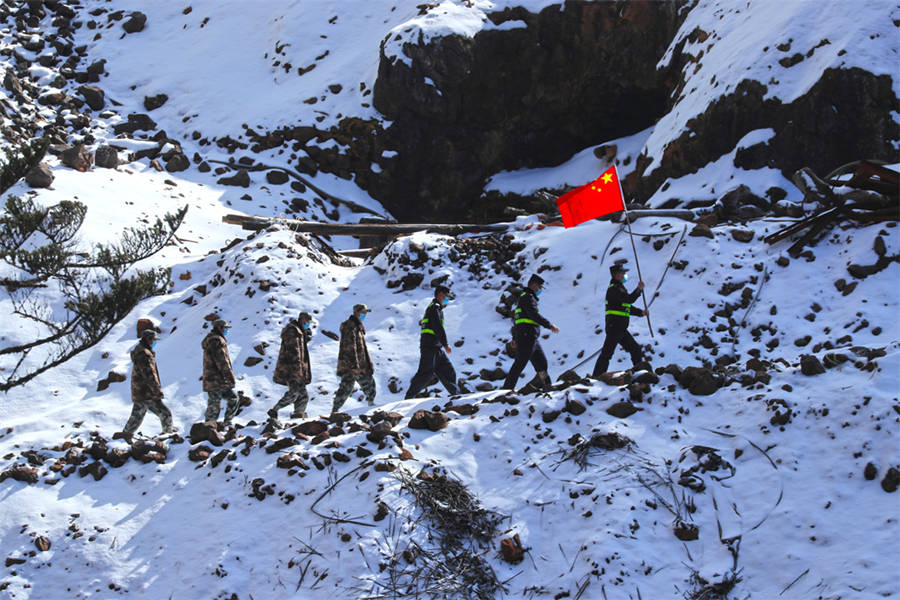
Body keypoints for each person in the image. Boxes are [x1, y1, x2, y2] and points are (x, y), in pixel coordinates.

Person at [502, 274, 559, 392]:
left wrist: (514, 337)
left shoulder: (525, 298)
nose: (540, 290)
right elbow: (533, 315)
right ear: (533, 285)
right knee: (519, 364)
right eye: (539, 287)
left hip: (531, 338)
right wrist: (549, 325)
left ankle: (547, 387)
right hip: (526, 336)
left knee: (542, 364)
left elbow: (517, 320)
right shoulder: (527, 297)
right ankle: (506, 391)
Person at [592, 263, 649, 377]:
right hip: (615, 327)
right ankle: (596, 377)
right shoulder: (615, 289)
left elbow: (625, 307)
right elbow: (628, 300)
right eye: (622, 273)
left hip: (619, 328)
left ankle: (639, 374)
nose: (624, 275)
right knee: (607, 354)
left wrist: (640, 313)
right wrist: (639, 290)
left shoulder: (619, 288)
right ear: (616, 275)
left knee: (635, 349)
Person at [405, 285, 459, 399]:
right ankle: (409, 397)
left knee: (448, 371)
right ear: (440, 294)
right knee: (425, 374)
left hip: (435, 347)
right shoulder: (434, 308)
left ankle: (457, 396)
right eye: (446, 296)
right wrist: (445, 344)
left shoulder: (436, 308)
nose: (447, 299)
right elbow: (438, 327)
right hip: (430, 347)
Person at [120, 328, 175, 438]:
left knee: (136, 417)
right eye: (153, 340)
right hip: (147, 392)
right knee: (165, 414)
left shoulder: (141, 351)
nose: (154, 342)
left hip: (140, 391)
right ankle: (168, 437)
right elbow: (149, 375)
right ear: (148, 339)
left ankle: (123, 437)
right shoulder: (144, 354)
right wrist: (157, 391)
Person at [331, 303, 376, 413]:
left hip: (357, 363)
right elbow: (349, 346)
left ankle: (335, 410)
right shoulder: (350, 326)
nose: (365, 314)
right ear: (357, 312)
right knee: (365, 382)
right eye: (363, 312)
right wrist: (354, 365)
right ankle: (370, 405)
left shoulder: (357, 325)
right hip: (352, 364)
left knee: (347, 387)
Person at [268, 312, 313, 420]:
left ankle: (298, 416)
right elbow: (293, 352)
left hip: (298, 370)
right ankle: (274, 410)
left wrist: (305, 335)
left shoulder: (299, 332)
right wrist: (296, 370)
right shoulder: (292, 331)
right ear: (302, 320)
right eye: (307, 322)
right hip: (291, 369)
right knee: (294, 393)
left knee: (303, 396)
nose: (308, 324)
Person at [201, 319, 239, 425]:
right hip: (215, 379)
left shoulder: (214, 339)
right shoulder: (216, 340)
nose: (226, 330)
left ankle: (225, 423)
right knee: (215, 404)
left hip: (217, 379)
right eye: (225, 328)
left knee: (232, 398)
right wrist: (230, 377)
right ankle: (209, 427)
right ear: (219, 327)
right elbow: (222, 361)